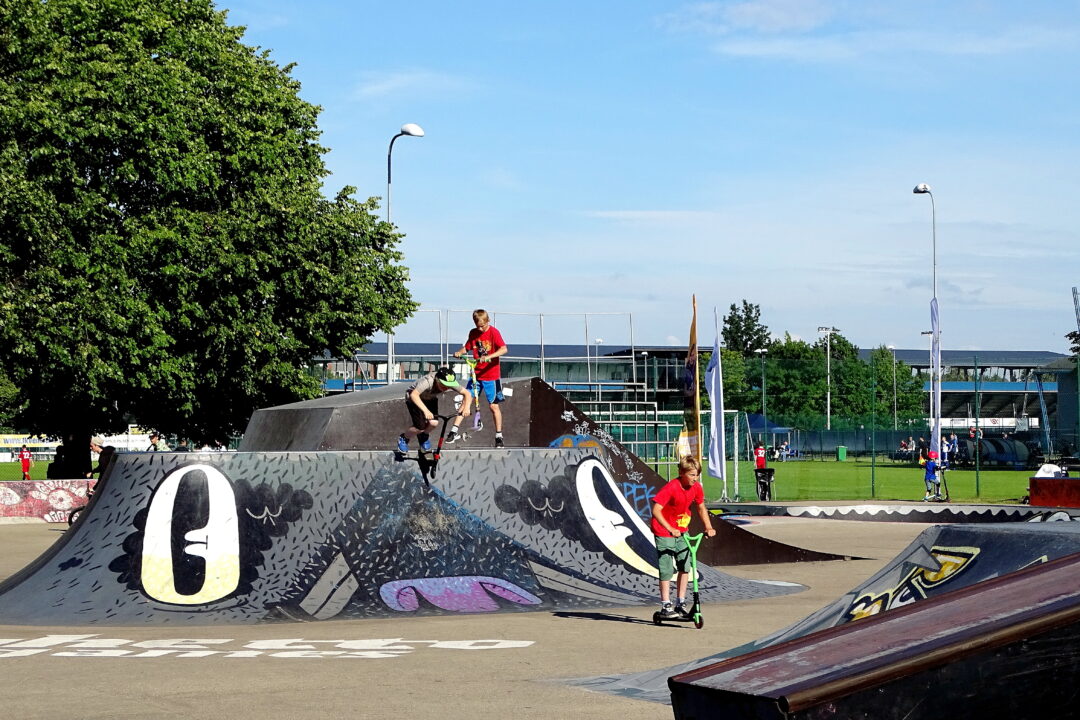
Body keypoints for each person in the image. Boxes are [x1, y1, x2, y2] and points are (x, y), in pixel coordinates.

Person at [650, 455, 717, 619]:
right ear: (681, 473)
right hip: (664, 530)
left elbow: (701, 507)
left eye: (697, 475)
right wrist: (670, 528)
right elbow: (656, 510)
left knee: (685, 566)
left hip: (682, 531)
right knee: (666, 568)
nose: (695, 478)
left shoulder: (696, 488)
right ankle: (666, 605)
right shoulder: (672, 487)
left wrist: (708, 527)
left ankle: (680, 603)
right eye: (692, 475)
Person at [453, 309, 509, 448]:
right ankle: (454, 431)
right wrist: (459, 352)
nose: (480, 329)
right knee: (466, 400)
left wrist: (488, 357)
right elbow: (467, 347)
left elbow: (504, 349)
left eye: (482, 326)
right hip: (476, 375)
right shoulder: (473, 333)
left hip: (491, 375)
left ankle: (499, 436)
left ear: (488, 321)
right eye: (477, 326)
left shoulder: (494, 332)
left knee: (493, 406)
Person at [396, 367, 472, 453]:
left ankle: (423, 436)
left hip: (430, 397)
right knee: (419, 427)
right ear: (437, 380)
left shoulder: (450, 382)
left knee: (434, 423)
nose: (446, 387)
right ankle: (404, 438)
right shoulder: (428, 381)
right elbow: (414, 395)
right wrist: (426, 411)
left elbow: (467, 394)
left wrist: (467, 408)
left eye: (448, 386)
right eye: (444, 385)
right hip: (414, 398)